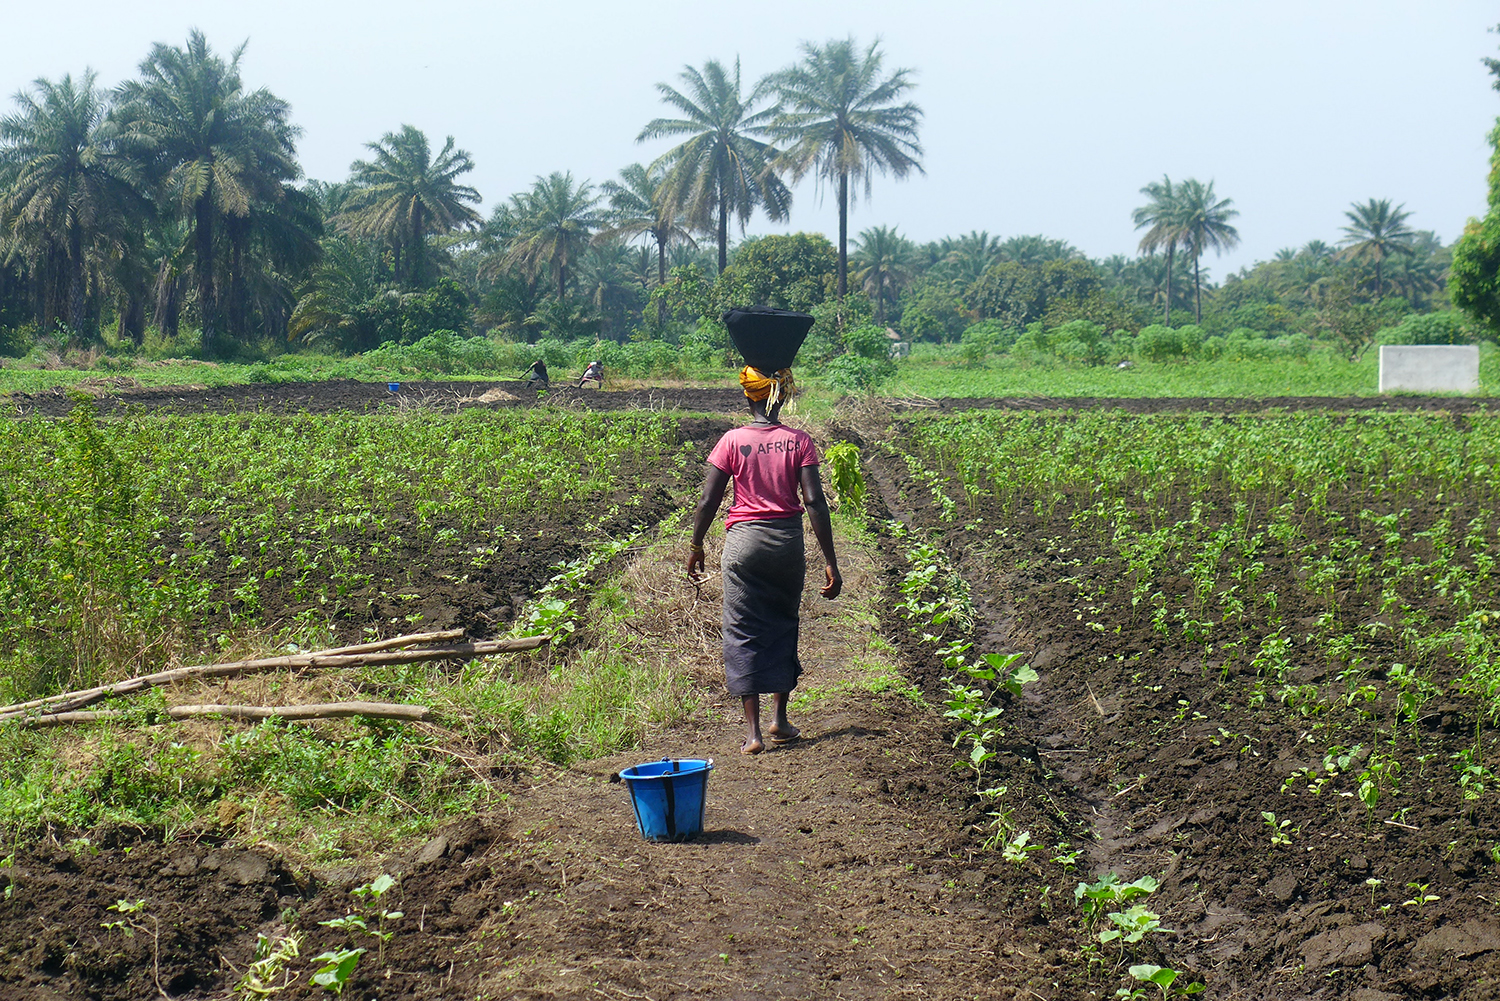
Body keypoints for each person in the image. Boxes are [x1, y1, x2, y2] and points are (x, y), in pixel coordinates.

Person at [686, 365, 842, 754]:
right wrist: (831, 561)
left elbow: (708, 501)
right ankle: (780, 720)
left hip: (743, 545)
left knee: (742, 628)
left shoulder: (732, 440)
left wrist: (696, 545)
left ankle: (753, 733)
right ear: (782, 397)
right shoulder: (799, 441)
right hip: (785, 544)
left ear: (748, 396)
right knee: (783, 623)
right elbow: (814, 502)